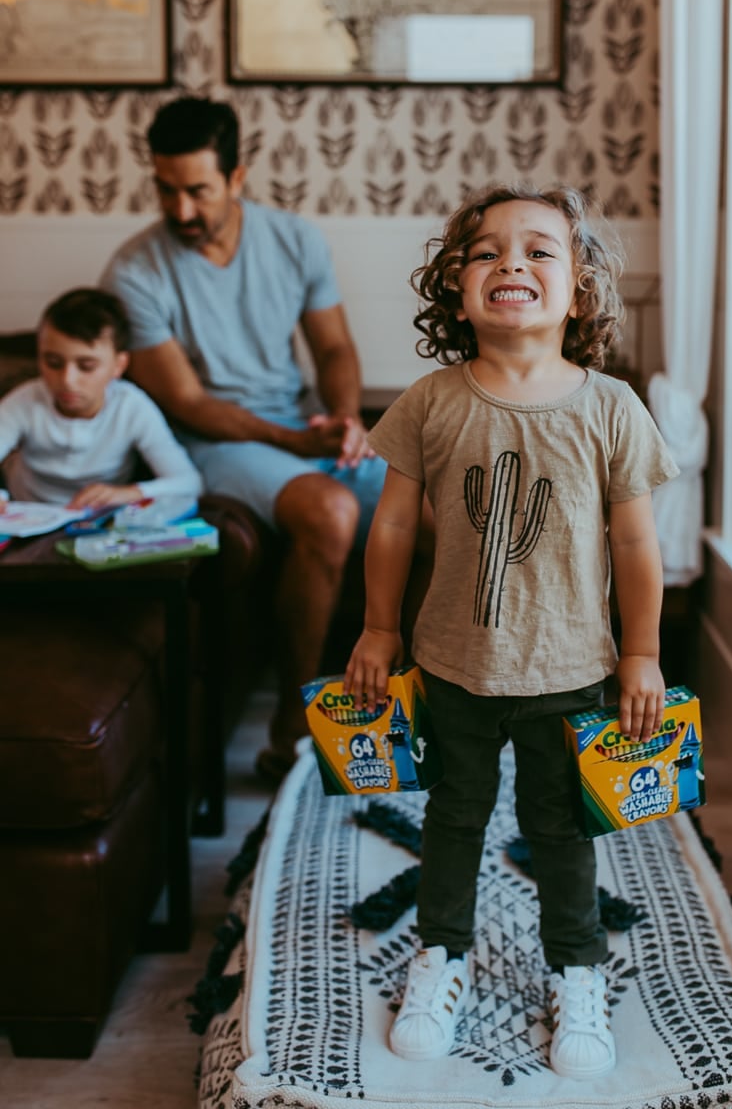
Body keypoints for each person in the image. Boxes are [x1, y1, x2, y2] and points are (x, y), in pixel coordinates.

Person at [344, 183, 680, 1079]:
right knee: (453, 817)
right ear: (457, 290)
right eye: (487, 251)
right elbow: (392, 527)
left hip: (570, 668)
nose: (511, 264)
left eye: (539, 250)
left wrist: (641, 652)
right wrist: (379, 630)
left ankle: (576, 967)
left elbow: (639, 541)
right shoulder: (430, 402)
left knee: (562, 829)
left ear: (579, 292)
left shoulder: (611, 407)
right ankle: (439, 957)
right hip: (452, 660)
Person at [100, 94, 392, 783]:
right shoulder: (132, 271)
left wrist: (347, 420)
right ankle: (292, 727)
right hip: (211, 445)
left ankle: (421, 711)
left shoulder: (295, 239)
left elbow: (336, 350)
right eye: (165, 190)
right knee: (331, 510)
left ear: (237, 177)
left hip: (303, 430)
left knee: (441, 514)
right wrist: (296, 443)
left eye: (197, 190)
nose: (181, 211)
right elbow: (187, 403)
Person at [0, 287, 202, 509]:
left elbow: (189, 482)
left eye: (86, 366)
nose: (68, 380)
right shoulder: (23, 402)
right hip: (27, 513)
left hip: (96, 522)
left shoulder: (132, 407)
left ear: (119, 365)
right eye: (53, 363)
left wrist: (130, 493)